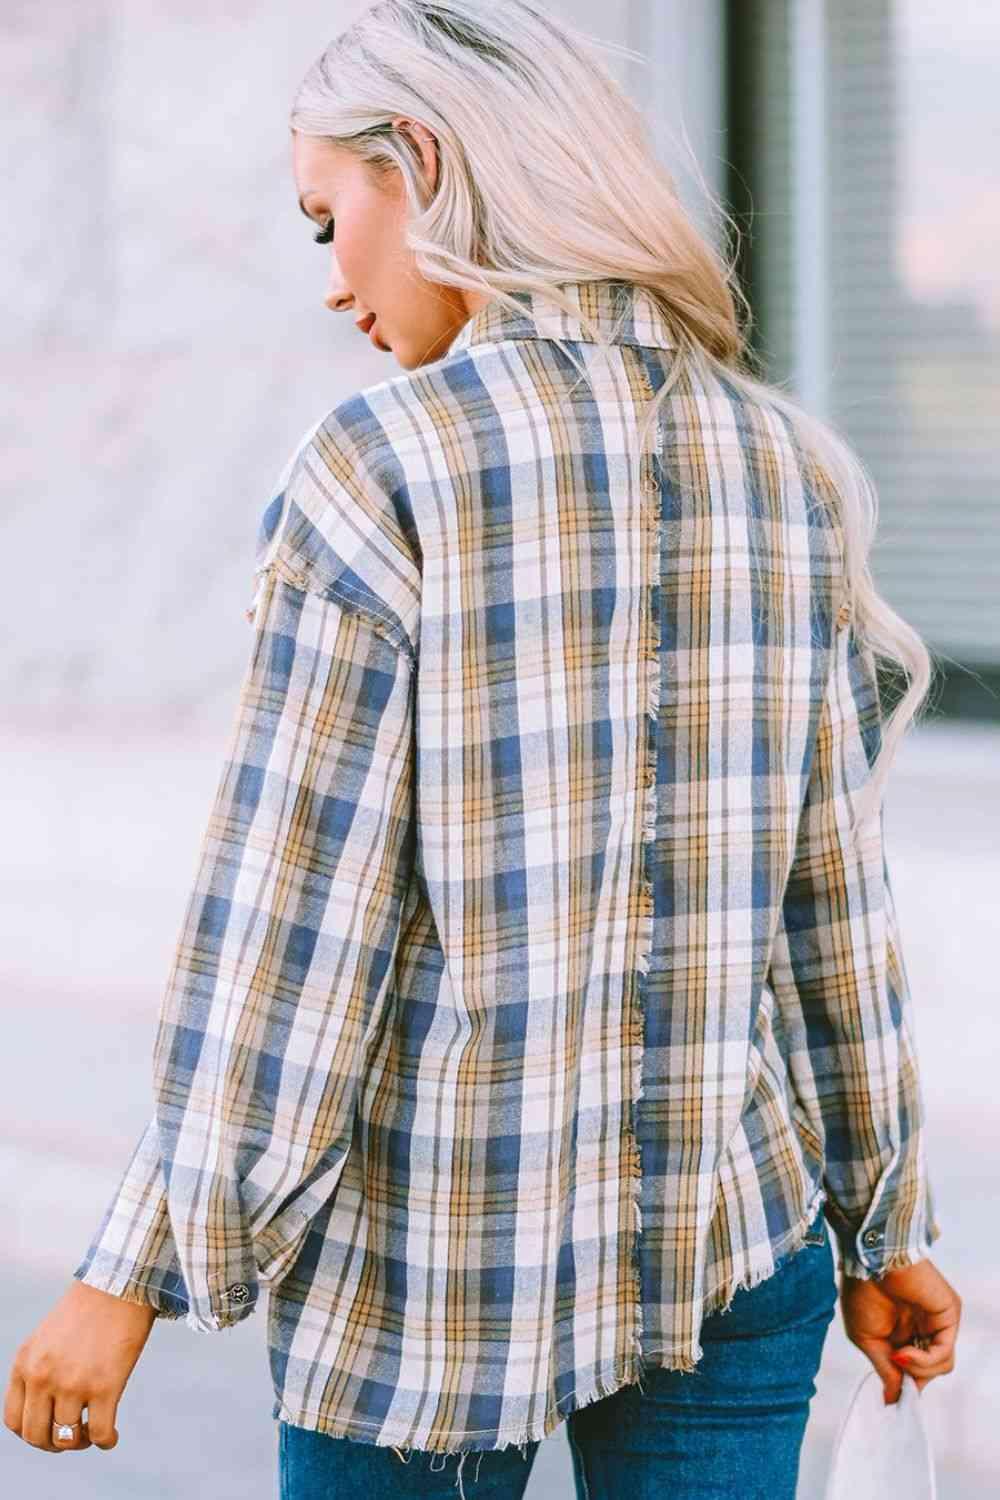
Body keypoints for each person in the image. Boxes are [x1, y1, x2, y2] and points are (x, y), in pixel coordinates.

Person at [3, 3, 961, 1497]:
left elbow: (297, 929)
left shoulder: (382, 466)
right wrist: (883, 1218)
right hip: (732, 1242)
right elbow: (832, 897)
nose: (333, 283)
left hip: (429, 1283)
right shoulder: (784, 463)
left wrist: (129, 1274)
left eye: (330, 219)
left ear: (429, 166)